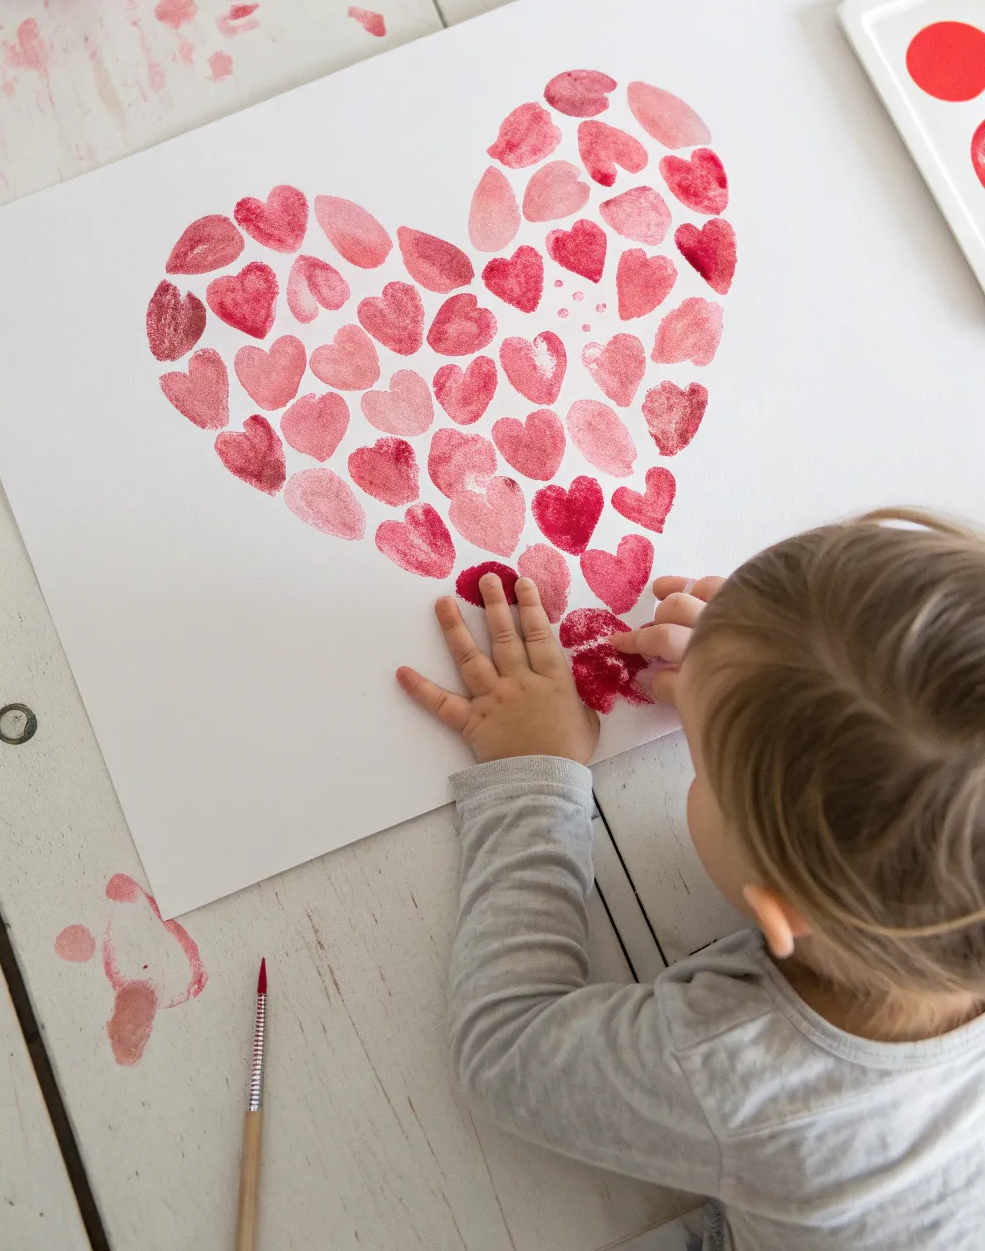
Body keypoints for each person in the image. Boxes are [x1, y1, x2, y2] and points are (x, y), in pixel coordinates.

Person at [396, 509, 985, 1249]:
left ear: (780, 911)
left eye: (700, 763)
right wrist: (760, 668)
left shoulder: (737, 1076)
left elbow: (504, 1051)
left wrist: (533, 776)